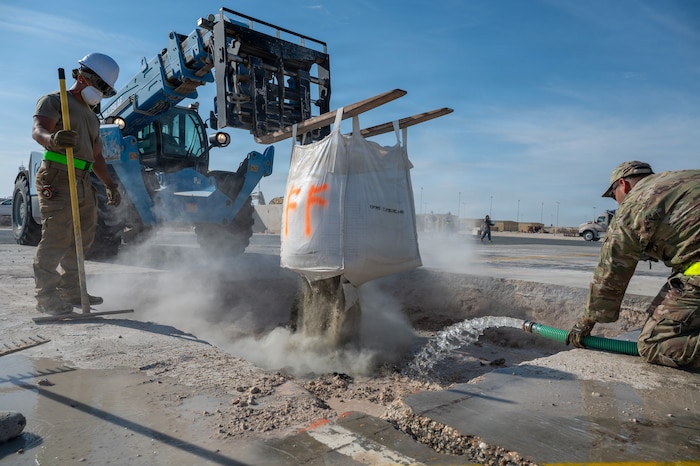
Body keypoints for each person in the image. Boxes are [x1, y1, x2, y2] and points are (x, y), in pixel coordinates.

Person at [566, 161, 700, 369]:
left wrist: (586, 322)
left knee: (653, 343)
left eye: (613, 195)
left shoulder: (633, 205)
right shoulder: (683, 179)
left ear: (623, 185)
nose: (617, 202)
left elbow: (610, 273)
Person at [31, 52, 122, 315]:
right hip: (58, 172)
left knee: (81, 239)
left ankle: (71, 290)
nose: (103, 93)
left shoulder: (92, 117)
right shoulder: (54, 100)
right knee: (57, 237)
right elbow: (38, 130)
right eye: (101, 86)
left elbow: (96, 156)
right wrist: (53, 139)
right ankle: (46, 297)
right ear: (84, 77)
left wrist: (109, 185)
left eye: (106, 90)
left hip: (83, 178)